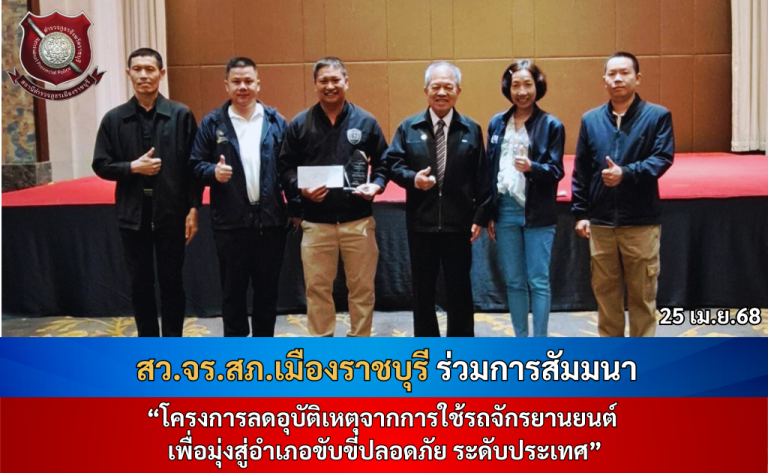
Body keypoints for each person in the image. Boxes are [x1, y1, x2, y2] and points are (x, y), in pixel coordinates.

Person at [277, 57, 388, 337]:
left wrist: (376, 185)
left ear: (346, 82)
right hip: (316, 224)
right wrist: (300, 189)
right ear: (315, 84)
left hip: (358, 221)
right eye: (323, 80)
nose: (330, 86)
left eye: (335, 80)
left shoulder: (366, 121)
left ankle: (359, 346)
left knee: (362, 289)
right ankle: (322, 347)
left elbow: (385, 163)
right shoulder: (300, 124)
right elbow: (284, 167)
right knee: (317, 290)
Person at [92, 48, 199, 337]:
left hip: (172, 214)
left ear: (161, 74)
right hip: (132, 216)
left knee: (172, 284)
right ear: (128, 74)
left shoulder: (181, 115)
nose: (143, 75)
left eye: (149, 69)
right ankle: (147, 344)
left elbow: (193, 166)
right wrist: (132, 167)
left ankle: (172, 345)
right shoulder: (114, 119)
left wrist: (193, 208)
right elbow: (100, 164)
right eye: (137, 69)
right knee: (140, 285)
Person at [571, 51, 674, 337]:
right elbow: (581, 169)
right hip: (601, 224)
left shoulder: (657, 116)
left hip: (640, 222)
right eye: (612, 74)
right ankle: (612, 357)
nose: (618, 79)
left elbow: (661, 159)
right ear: (604, 79)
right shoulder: (591, 120)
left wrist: (625, 173)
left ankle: (642, 358)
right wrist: (580, 213)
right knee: (606, 298)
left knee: (642, 298)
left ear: (637, 78)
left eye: (625, 73)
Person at [385, 61, 491, 337]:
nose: (442, 92)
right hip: (421, 224)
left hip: (459, 225)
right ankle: (427, 348)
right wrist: (413, 179)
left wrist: (481, 216)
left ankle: (461, 348)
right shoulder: (408, 128)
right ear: (426, 90)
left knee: (460, 289)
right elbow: (392, 164)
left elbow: (481, 176)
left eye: (448, 87)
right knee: (423, 291)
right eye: (436, 86)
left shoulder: (471, 129)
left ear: (458, 91)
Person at [190, 57, 289, 337]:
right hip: (230, 224)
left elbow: (289, 167)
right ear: (226, 85)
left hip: (270, 222)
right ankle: (236, 353)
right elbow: (194, 165)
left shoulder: (275, 121)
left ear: (258, 84)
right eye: (236, 81)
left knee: (267, 293)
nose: (242, 87)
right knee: (232, 294)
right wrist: (212, 172)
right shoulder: (212, 123)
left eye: (248, 81)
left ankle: (263, 351)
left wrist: (295, 209)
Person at [486, 60, 565, 337]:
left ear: (537, 86)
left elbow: (556, 171)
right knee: (514, 281)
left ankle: (539, 343)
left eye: (527, 84)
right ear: (508, 88)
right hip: (505, 210)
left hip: (537, 211)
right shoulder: (497, 123)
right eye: (515, 85)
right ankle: (521, 340)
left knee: (538, 281)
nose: (521, 91)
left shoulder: (551, 124)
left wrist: (533, 168)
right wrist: (489, 212)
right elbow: (490, 170)